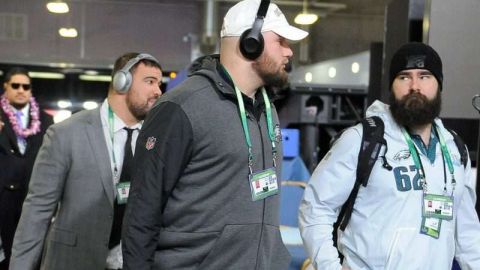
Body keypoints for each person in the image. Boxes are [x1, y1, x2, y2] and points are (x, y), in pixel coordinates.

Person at [122, 0, 308, 269]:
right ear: (250, 42)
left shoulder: (267, 110)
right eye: (281, 41)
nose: (289, 52)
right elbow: (142, 214)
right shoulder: (181, 108)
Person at [299, 42, 480, 270]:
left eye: (425, 76)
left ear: (439, 84)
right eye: (404, 77)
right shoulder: (362, 139)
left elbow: (467, 233)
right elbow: (315, 208)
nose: (415, 86)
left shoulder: (455, 149)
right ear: (391, 86)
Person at [9, 52, 162, 270]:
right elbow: (37, 212)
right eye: (149, 81)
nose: (158, 91)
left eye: (158, 83)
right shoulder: (66, 133)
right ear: (122, 82)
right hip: (73, 261)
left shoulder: (156, 138)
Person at [0, 67, 53, 270]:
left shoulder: (46, 120)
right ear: (6, 87)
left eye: (26, 86)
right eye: (15, 85)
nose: (21, 90)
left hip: (33, 195)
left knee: (31, 250)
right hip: (3, 194)